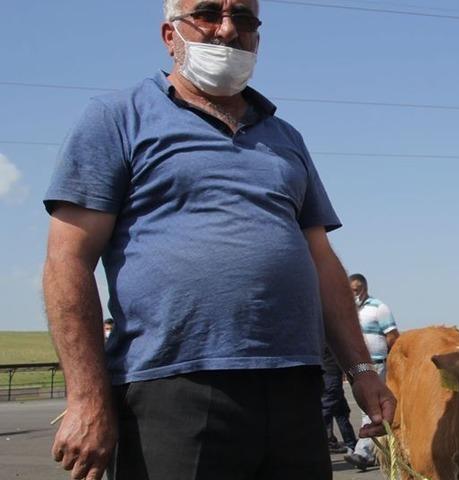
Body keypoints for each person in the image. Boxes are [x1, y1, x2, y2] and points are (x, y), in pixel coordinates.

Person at [41, 2, 395, 479]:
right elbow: (67, 260)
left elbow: (322, 261)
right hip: (173, 386)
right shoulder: (117, 117)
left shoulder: (285, 136)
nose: (228, 30)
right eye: (208, 13)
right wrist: (86, 397)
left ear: (258, 39)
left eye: (244, 19)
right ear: (170, 35)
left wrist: (361, 371)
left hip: (293, 388)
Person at [344, 273, 400, 470]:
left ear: (364, 289)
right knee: (365, 408)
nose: (353, 294)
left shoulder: (379, 308)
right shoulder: (348, 311)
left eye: (356, 290)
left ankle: (363, 452)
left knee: (372, 406)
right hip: (356, 367)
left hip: (376, 365)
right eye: (349, 291)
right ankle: (378, 450)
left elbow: (392, 337)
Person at [321, 346, 357, 454]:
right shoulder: (330, 339)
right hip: (331, 378)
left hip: (330, 377)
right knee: (327, 413)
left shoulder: (322, 338)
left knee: (341, 412)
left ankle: (351, 444)